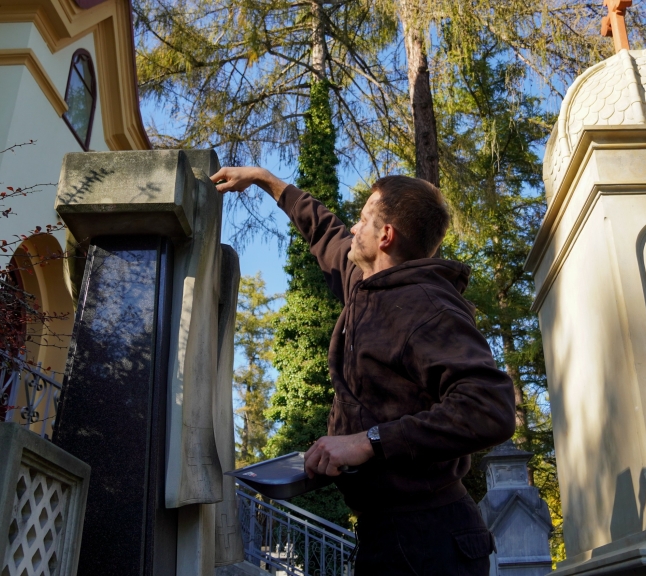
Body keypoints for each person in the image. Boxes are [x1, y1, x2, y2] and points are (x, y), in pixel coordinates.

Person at [211, 166, 517, 576]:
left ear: (386, 236)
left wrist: (369, 441)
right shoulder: (366, 284)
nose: (353, 228)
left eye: (363, 220)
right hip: (385, 534)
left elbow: (489, 407)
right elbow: (324, 231)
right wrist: (266, 180)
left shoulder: (429, 306)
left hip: (431, 542)